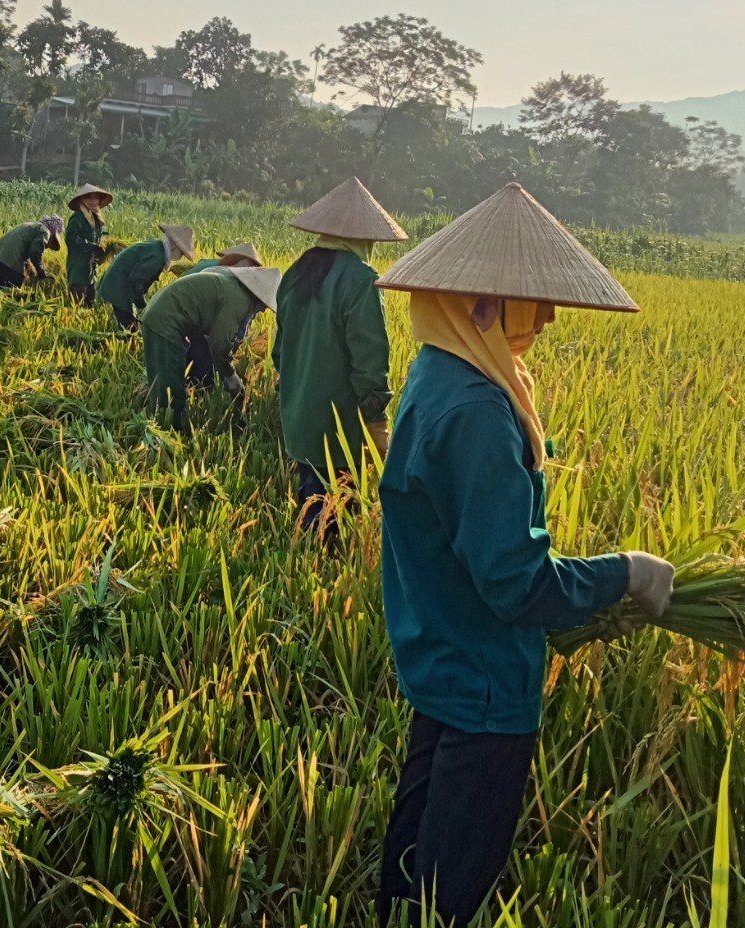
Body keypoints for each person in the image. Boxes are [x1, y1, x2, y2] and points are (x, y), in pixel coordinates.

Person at [372, 182, 676, 927]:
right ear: (477, 304)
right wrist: (626, 573)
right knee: (450, 887)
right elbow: (516, 584)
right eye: (526, 300)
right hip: (482, 682)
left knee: (416, 856)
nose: (544, 316)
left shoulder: (438, 371)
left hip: (440, 661)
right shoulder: (476, 409)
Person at [271, 178, 406, 543]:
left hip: (298, 413)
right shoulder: (361, 279)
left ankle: (303, 566)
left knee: (310, 497)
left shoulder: (295, 273)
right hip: (339, 422)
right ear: (364, 238)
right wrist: (377, 416)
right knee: (336, 512)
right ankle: (315, 580)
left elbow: (279, 351)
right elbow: (370, 359)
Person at [138, 265, 280, 431]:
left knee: (163, 377)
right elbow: (219, 344)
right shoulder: (238, 300)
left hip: (160, 311)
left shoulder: (230, 283)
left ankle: (155, 416)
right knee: (170, 385)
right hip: (166, 320)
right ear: (259, 297)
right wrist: (230, 375)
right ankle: (167, 431)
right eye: (265, 304)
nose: (264, 310)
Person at [182, 244, 262, 386]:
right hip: (196, 317)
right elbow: (236, 332)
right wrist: (227, 358)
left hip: (180, 308)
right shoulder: (237, 284)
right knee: (205, 364)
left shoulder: (207, 264)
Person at [97, 224, 195, 330]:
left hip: (118, 280)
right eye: (182, 252)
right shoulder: (158, 258)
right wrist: (141, 306)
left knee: (129, 322)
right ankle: (126, 341)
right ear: (175, 246)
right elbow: (136, 281)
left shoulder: (157, 246)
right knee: (129, 327)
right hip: (118, 283)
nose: (181, 256)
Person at [64, 183, 112, 304]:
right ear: (82, 199)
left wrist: (105, 249)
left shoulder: (96, 219)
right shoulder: (78, 217)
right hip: (78, 268)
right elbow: (71, 238)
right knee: (77, 304)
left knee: (90, 304)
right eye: (88, 197)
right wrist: (92, 246)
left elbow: (100, 239)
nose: (92, 201)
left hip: (91, 269)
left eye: (95, 197)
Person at [0, 216, 64, 289]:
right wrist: (41, 272)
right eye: (52, 241)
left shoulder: (30, 226)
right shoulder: (45, 231)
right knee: (11, 293)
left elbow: (23, 250)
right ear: (53, 233)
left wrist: (31, 273)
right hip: (10, 263)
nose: (47, 246)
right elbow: (35, 253)